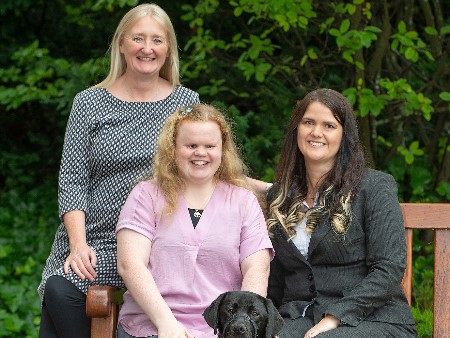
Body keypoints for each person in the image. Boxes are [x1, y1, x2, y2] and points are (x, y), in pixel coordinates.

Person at [38, 3, 200, 337]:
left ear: (168, 48)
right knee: (60, 289)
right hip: (92, 237)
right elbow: (72, 177)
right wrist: (78, 244)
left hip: (153, 239)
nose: (147, 48)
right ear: (122, 44)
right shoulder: (89, 102)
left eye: (157, 40)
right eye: (138, 38)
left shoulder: (186, 103)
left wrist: (268, 187)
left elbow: (203, 165)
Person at [266, 88, 418, 338]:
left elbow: (388, 268)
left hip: (372, 318)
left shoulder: (373, 187)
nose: (316, 132)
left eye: (329, 125)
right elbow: (277, 280)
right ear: (297, 130)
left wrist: (335, 316)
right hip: (302, 316)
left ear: (344, 136)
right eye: (308, 122)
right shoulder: (281, 198)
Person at [115, 103, 274, 338]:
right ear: (173, 149)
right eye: (191, 145)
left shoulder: (243, 201)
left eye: (210, 146)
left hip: (221, 329)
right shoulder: (146, 195)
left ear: (222, 150)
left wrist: (243, 324)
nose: (201, 153)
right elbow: (131, 265)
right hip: (152, 325)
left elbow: (257, 267)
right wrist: (165, 323)